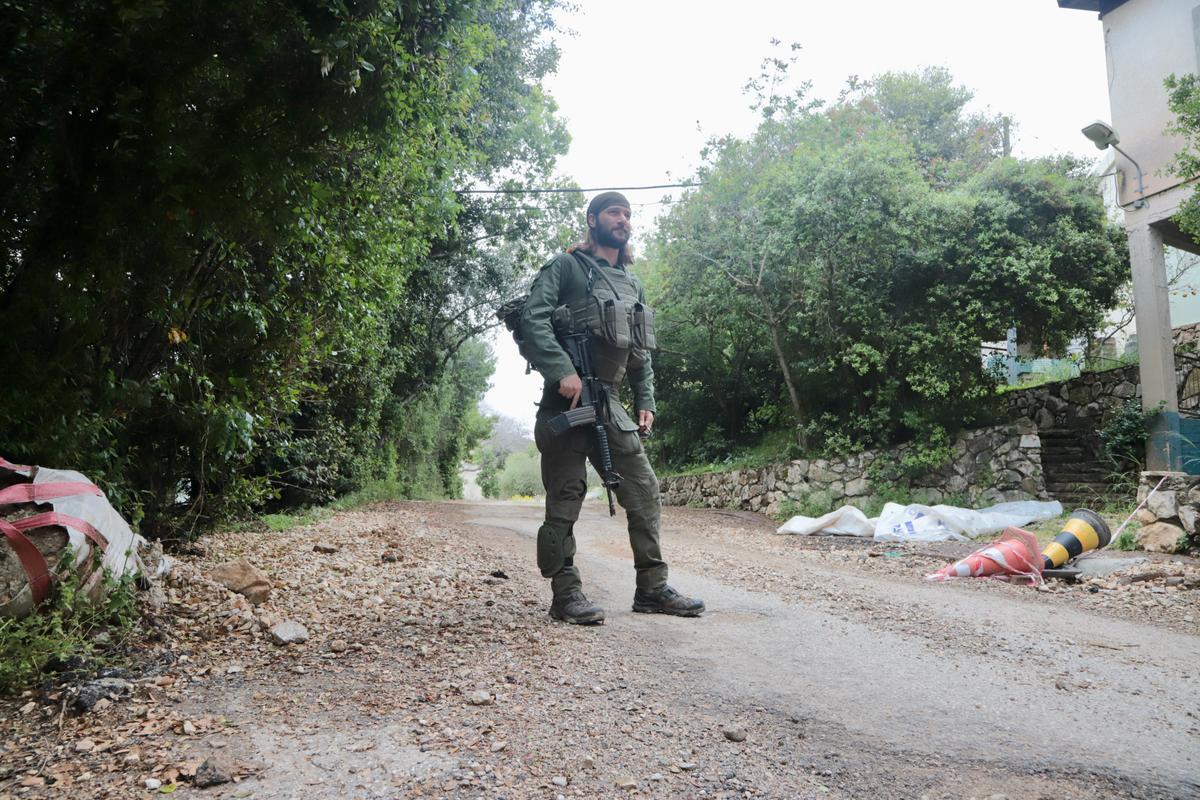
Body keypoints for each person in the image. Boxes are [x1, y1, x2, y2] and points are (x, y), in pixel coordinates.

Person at [519, 191, 705, 625]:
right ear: (593, 220)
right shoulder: (566, 267)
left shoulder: (631, 281)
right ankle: (566, 595)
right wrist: (562, 370)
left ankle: (652, 589)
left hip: (612, 403)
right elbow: (534, 318)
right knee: (565, 499)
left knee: (643, 492)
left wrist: (646, 400)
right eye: (613, 212)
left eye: (627, 214)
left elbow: (639, 350)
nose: (622, 220)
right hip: (565, 402)